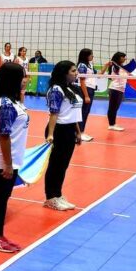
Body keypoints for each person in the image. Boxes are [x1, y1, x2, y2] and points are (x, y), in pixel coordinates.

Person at [0, 62, 30, 254]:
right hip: (0, 158)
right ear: (13, 80)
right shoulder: (7, 105)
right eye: (23, 76)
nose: (26, 80)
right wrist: (8, 164)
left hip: (10, 157)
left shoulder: (14, 101)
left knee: (3, 198)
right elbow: (4, 135)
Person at [43, 61, 83, 211]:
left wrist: (78, 131)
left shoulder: (71, 88)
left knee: (63, 165)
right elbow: (54, 113)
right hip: (58, 130)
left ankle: (58, 194)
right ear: (64, 73)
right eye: (73, 71)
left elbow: (73, 112)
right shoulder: (56, 89)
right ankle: (50, 198)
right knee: (55, 165)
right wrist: (50, 134)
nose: (76, 73)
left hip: (69, 129)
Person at [104, 52, 128, 132]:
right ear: (118, 58)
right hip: (115, 89)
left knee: (115, 108)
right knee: (112, 108)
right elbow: (111, 77)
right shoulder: (114, 66)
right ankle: (111, 125)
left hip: (120, 89)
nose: (125, 58)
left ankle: (113, 123)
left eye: (125, 57)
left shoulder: (121, 67)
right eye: (123, 57)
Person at [76, 48, 96, 141]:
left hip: (91, 89)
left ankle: (82, 132)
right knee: (83, 111)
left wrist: (106, 65)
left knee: (86, 111)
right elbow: (82, 81)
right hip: (85, 89)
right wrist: (86, 95)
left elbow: (99, 74)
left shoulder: (89, 65)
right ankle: (79, 133)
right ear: (86, 55)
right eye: (91, 54)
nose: (92, 56)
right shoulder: (82, 65)